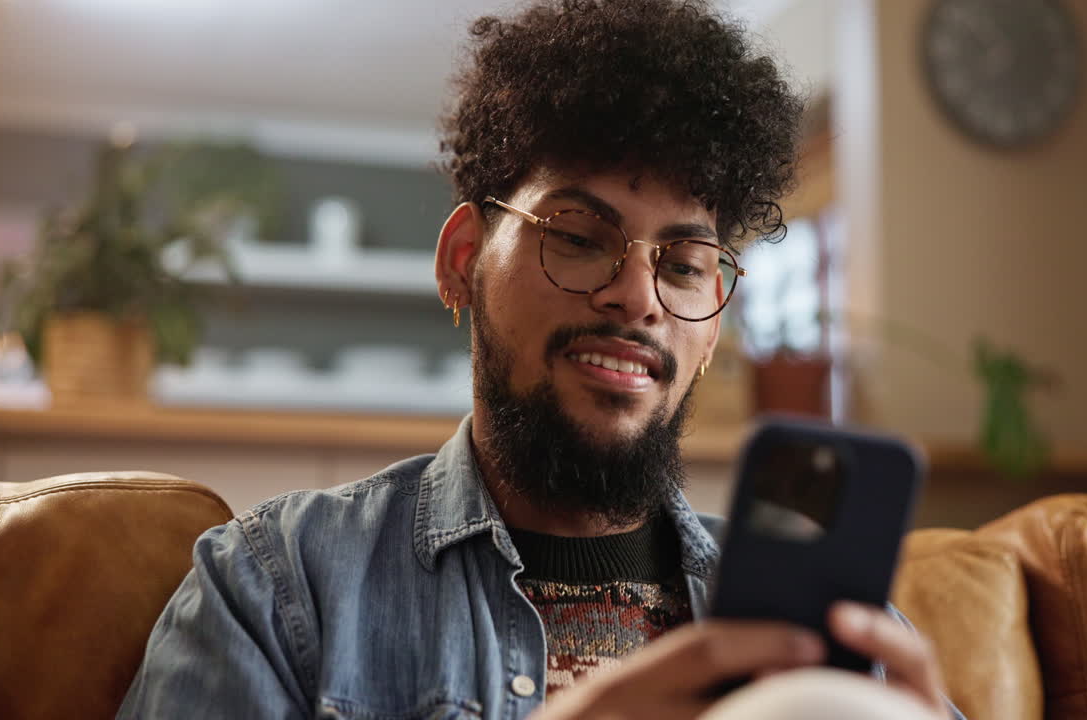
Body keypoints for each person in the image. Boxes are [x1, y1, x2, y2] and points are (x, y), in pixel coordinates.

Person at [118, 1, 965, 718]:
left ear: (714, 329)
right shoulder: (273, 588)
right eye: (579, 238)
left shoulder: (843, 635)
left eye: (682, 264)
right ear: (462, 261)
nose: (638, 297)